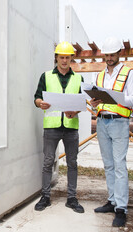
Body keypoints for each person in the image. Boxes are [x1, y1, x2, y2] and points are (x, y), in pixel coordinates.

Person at [90, 37, 133, 227]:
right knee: (109, 164)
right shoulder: (99, 76)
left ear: (119, 53)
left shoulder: (129, 73)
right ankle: (112, 201)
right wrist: (94, 103)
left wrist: (115, 99)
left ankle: (121, 209)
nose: (109, 58)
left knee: (119, 165)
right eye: (107, 55)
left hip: (119, 123)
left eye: (112, 54)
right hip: (102, 122)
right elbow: (96, 103)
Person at [33, 41, 84, 213]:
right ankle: (45, 197)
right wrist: (41, 104)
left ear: (71, 59)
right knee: (48, 162)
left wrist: (75, 111)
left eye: (67, 57)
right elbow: (37, 98)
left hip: (71, 126)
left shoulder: (78, 78)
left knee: (72, 163)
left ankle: (72, 198)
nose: (64, 60)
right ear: (56, 58)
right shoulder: (46, 76)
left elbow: (81, 102)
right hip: (52, 127)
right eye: (61, 57)